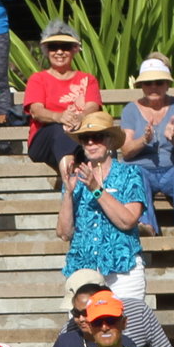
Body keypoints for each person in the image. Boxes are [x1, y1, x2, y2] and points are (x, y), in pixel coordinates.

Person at [59, 113, 145, 311]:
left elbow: (128, 220)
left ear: (110, 141)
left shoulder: (129, 174)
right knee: (83, 332)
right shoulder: (74, 178)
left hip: (122, 267)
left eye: (97, 136)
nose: (90, 142)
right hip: (83, 267)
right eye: (85, 138)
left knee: (127, 328)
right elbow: (64, 233)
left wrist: (96, 189)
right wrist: (68, 194)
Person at [120, 57, 174, 235]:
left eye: (159, 82)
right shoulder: (130, 109)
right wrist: (143, 139)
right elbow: (126, 152)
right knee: (132, 171)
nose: (153, 87)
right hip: (143, 169)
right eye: (148, 83)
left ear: (167, 84)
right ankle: (145, 225)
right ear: (141, 86)